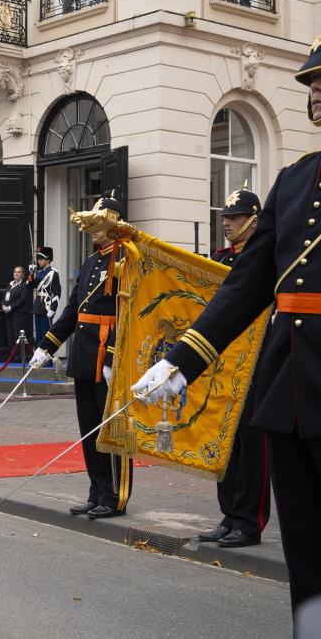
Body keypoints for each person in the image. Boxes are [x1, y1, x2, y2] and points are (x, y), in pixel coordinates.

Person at [134, 38, 321, 618]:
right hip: (289, 388)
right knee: (307, 547)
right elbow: (246, 286)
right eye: (311, 83)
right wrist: (180, 362)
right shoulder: (293, 180)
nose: (314, 91)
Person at [30, 195, 130, 519]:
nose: (91, 230)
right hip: (85, 354)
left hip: (107, 354)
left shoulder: (127, 258)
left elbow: (128, 312)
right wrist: (47, 344)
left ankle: (115, 495)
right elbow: (74, 309)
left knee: (108, 427)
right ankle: (96, 489)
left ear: (113, 224)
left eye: (97, 223)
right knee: (88, 426)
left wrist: (114, 356)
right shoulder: (90, 262)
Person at [195, 186, 271, 548]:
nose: (227, 224)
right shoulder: (221, 259)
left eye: (236, 217)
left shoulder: (265, 258)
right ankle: (229, 514)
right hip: (224, 365)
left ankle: (250, 521)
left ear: (254, 219)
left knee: (252, 447)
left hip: (256, 364)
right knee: (224, 442)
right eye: (225, 218)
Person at [27, 246, 61, 342]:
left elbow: (57, 294)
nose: (38, 261)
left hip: (47, 307)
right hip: (38, 306)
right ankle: (38, 355)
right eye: (38, 259)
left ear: (48, 259)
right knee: (38, 335)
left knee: (46, 335)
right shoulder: (38, 273)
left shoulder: (53, 273)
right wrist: (31, 275)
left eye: (41, 259)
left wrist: (53, 309)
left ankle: (46, 355)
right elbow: (29, 287)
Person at [2, 266, 33, 350]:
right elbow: (4, 296)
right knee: (10, 334)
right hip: (8, 313)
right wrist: (3, 305)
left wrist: (10, 307)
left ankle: (18, 356)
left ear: (22, 274)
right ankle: (11, 354)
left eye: (19, 272)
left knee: (17, 335)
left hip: (19, 313)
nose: (16, 273)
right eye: (15, 271)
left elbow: (23, 299)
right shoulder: (10, 284)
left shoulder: (24, 285)